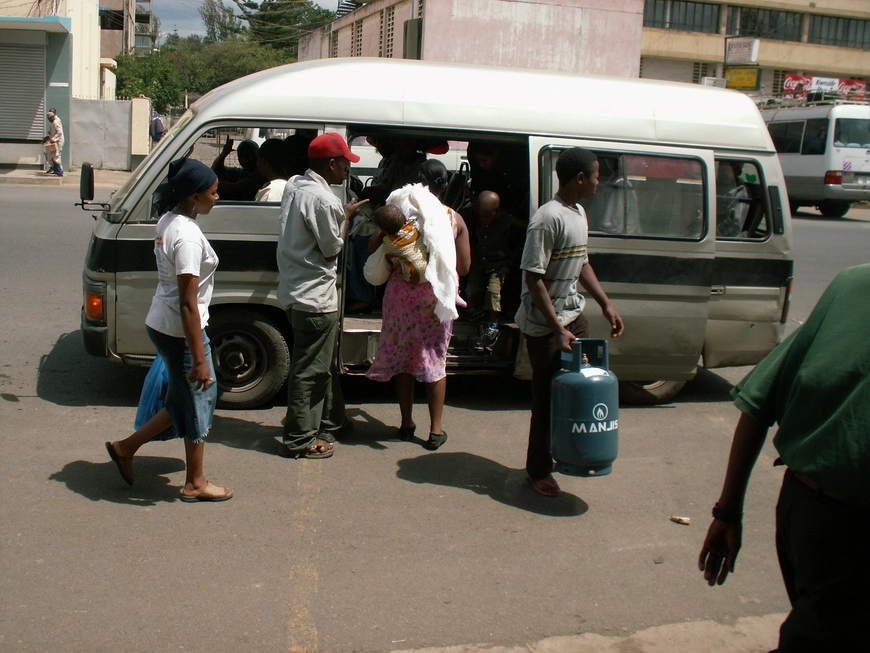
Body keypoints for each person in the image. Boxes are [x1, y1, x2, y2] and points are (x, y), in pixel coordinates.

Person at [698, 263, 870, 652]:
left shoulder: (853, 282)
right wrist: (726, 513)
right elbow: (759, 401)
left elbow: (759, 401)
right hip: (843, 527)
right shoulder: (853, 285)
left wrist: (727, 512)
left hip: (805, 511)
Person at [105, 158, 232, 502]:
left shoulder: (169, 219)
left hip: (163, 322)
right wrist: (199, 360)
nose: (217, 197)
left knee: (182, 399)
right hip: (179, 327)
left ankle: (125, 448)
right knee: (199, 395)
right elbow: (188, 304)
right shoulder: (187, 236)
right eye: (213, 192)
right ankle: (195, 482)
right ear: (194, 196)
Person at [516, 147, 625, 497]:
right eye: (595, 175)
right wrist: (556, 329)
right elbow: (533, 279)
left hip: (573, 317)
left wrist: (606, 304)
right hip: (545, 325)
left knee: (580, 389)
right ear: (580, 178)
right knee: (547, 400)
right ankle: (538, 470)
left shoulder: (578, 213)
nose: (598, 181)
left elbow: (582, 263)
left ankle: (571, 453)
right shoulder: (547, 219)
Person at [366, 160, 471, 450]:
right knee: (434, 360)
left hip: (400, 296)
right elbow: (463, 267)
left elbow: (373, 247)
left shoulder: (400, 213)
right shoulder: (454, 219)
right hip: (434, 299)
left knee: (404, 359)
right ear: (444, 186)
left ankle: (406, 423)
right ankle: (436, 430)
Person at [277, 132, 368, 459]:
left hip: (295, 291)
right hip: (316, 298)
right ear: (331, 163)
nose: (347, 168)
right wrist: (346, 217)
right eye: (345, 162)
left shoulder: (295, 186)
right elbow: (331, 251)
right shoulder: (325, 200)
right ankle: (300, 438)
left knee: (322, 364)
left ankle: (333, 421)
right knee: (310, 370)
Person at [463, 190, 526, 347]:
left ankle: (493, 323)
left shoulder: (506, 219)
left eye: (487, 216)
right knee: (473, 288)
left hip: (498, 264)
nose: (484, 219)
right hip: (480, 262)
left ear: (497, 212)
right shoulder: (477, 217)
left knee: (493, 292)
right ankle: (474, 311)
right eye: (481, 216)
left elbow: (523, 225)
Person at [45, 108, 64, 177]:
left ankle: (59, 172)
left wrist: (53, 139)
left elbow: (59, 132)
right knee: (52, 156)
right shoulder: (54, 122)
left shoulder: (56, 122)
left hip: (58, 142)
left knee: (55, 156)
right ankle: (56, 170)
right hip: (55, 141)